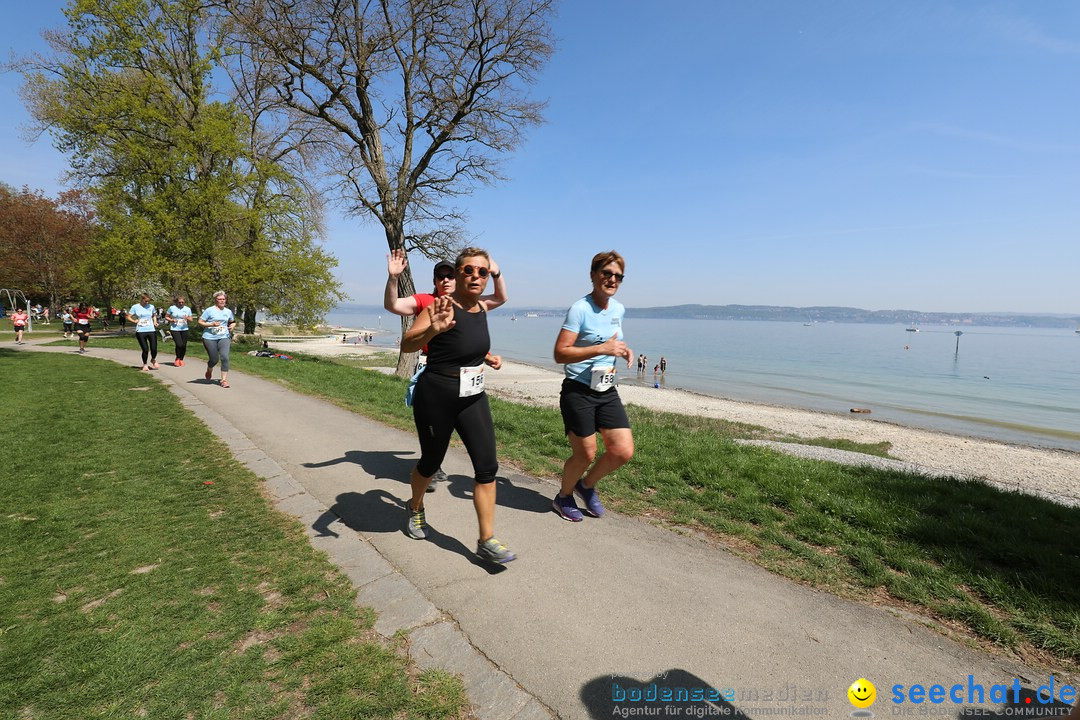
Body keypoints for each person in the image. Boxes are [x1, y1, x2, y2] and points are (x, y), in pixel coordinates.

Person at [400, 247, 515, 564]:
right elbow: (408, 343)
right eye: (469, 270)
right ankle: (415, 507)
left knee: (487, 467)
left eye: (483, 272)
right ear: (458, 273)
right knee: (431, 461)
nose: (476, 276)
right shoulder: (442, 305)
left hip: (473, 397)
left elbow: (468, 347)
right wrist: (432, 329)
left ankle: (487, 539)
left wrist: (487, 359)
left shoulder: (482, 309)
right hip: (436, 395)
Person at [385, 248, 508, 491]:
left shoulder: (474, 305)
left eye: (450, 275)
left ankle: (434, 462)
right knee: (432, 451)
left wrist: (485, 357)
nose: (446, 280)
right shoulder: (425, 301)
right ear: (435, 281)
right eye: (440, 276)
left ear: (457, 277)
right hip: (434, 376)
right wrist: (393, 278)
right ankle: (430, 467)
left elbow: (467, 341)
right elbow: (392, 305)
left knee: (484, 463)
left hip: (466, 383)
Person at [551, 250, 635, 522]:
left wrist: (622, 350)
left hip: (606, 389)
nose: (612, 279)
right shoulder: (580, 309)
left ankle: (585, 486)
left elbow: (611, 340)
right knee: (585, 453)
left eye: (618, 276)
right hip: (578, 390)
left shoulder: (619, 309)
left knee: (622, 450)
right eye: (606, 273)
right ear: (593, 275)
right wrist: (602, 348)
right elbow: (560, 353)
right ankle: (563, 497)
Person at [199, 290, 235, 388]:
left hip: (224, 336)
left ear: (226, 300)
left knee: (225, 357)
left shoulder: (228, 311)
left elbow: (232, 321)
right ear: (215, 300)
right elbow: (200, 322)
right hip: (209, 337)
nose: (222, 301)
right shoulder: (209, 310)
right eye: (219, 299)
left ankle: (223, 380)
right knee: (214, 359)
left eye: (223, 299)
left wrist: (232, 326)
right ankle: (209, 368)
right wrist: (212, 324)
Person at [127, 294, 160, 371]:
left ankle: (153, 359)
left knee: (154, 348)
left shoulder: (151, 307)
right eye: (145, 301)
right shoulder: (135, 307)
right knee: (145, 349)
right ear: (141, 300)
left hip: (151, 329)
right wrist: (134, 321)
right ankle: (145, 364)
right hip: (141, 330)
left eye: (148, 301)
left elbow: (154, 315)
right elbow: (128, 316)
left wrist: (155, 322)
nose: (147, 303)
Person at [165, 296, 193, 366]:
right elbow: (166, 316)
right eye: (179, 302)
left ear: (184, 302)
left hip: (184, 329)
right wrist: (172, 320)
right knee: (179, 344)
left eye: (182, 302)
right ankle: (177, 358)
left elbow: (191, 320)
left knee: (183, 345)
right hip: (174, 329)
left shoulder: (187, 309)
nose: (181, 303)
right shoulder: (172, 308)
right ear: (176, 302)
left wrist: (187, 318)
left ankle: (181, 359)